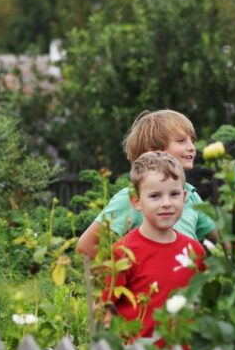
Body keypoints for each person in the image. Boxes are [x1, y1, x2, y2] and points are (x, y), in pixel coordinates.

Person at [76, 110, 218, 260]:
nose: (192, 147)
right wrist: (119, 277)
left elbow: (221, 239)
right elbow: (86, 246)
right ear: (153, 150)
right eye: (181, 141)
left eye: (192, 141)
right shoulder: (132, 197)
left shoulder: (191, 194)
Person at [102, 151, 206, 340]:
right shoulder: (123, 252)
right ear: (136, 201)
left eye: (174, 194)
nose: (167, 203)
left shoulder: (194, 251)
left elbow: (202, 306)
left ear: (184, 197)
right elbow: (106, 309)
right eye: (155, 196)